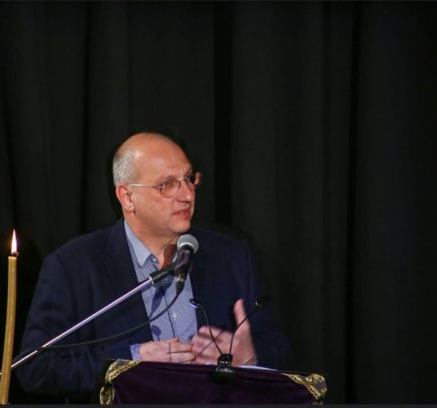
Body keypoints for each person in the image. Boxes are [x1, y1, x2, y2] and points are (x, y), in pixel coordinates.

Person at [17, 132, 290, 400]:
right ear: (127, 197)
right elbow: (35, 368)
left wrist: (251, 357)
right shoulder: (73, 266)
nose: (187, 195)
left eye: (189, 178)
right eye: (167, 185)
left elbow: (278, 349)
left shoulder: (233, 257)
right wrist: (131, 359)